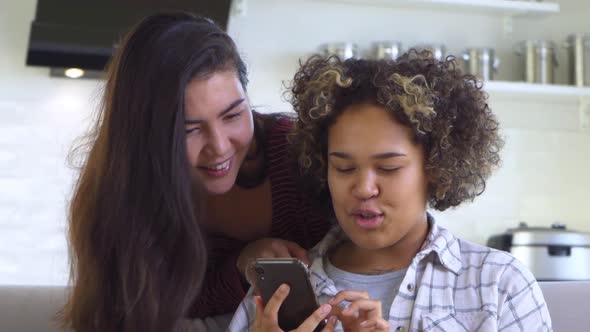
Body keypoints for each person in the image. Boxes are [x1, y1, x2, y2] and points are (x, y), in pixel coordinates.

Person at [228, 51, 553, 331]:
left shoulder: (499, 285)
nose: (364, 188)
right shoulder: (275, 298)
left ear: (436, 169)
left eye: (388, 168)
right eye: (343, 168)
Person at [59, 12, 331, 332]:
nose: (219, 147)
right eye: (189, 130)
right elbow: (136, 309)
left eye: (232, 115)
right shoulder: (119, 192)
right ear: (144, 133)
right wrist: (242, 264)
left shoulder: (303, 158)